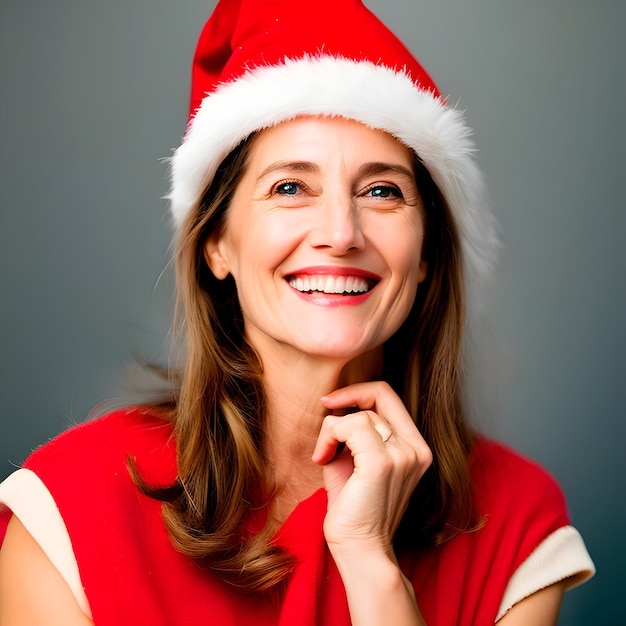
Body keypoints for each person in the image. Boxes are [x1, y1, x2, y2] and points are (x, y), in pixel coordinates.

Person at [0, 1, 595, 624]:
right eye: (290, 187)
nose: (341, 232)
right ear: (217, 244)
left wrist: (371, 567)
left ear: (426, 255)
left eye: (382, 190)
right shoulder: (72, 509)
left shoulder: (518, 520)